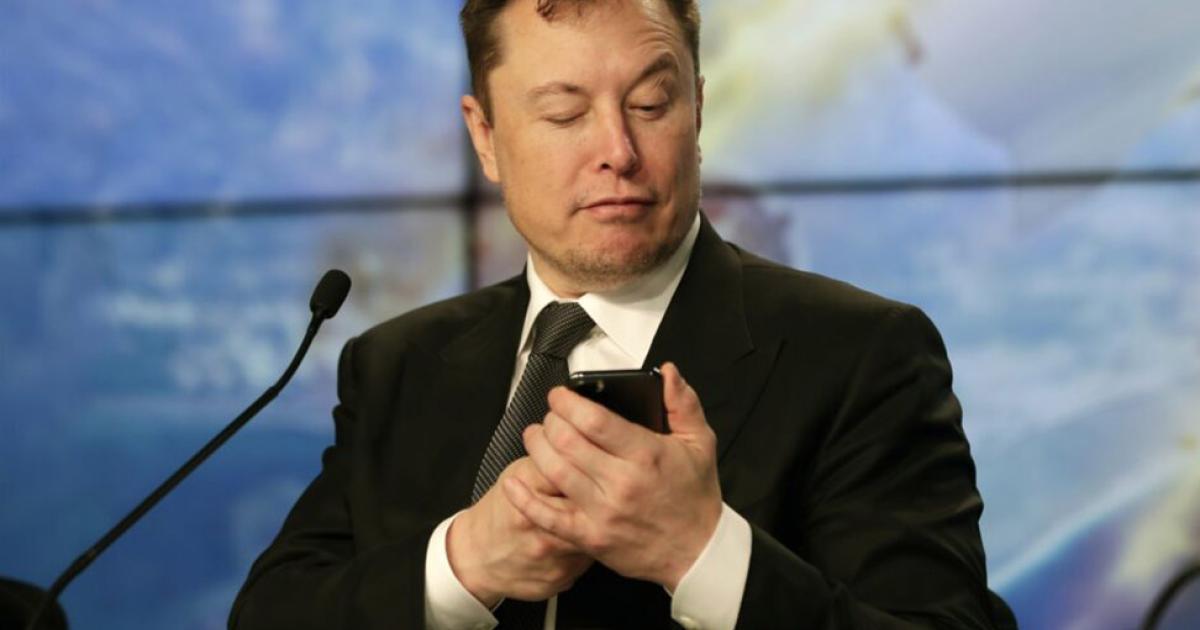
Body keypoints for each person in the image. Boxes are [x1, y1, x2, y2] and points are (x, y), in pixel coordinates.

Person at [230, 0, 1016, 628]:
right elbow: (272, 614)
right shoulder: (397, 365)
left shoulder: (862, 354)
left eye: (650, 103)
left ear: (697, 112)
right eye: (565, 114)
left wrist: (702, 551)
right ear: (486, 137)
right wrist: (463, 563)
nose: (618, 150)